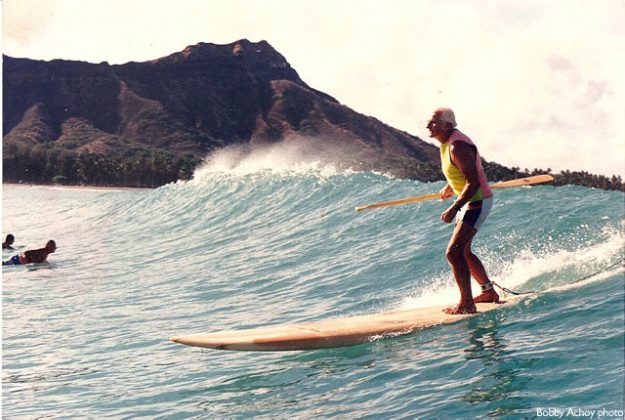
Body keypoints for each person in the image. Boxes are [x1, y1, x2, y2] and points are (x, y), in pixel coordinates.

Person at [426, 107, 499, 314]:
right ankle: (488, 292)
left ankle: (467, 303)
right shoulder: (446, 143)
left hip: (477, 202)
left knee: (454, 252)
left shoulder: (457, 145)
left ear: (447, 125)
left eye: (433, 122)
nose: (428, 126)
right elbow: (463, 172)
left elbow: (473, 181)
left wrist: (454, 207)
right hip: (469, 202)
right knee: (463, 250)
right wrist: (451, 185)